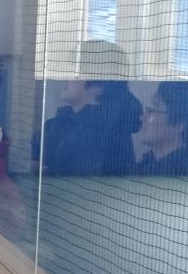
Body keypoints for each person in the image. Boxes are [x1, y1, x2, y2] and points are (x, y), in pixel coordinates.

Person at [36, 41, 143, 176]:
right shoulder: (61, 123)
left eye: (73, 72)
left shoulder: (102, 131)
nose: (64, 78)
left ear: (99, 82)